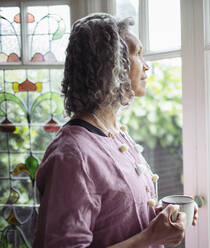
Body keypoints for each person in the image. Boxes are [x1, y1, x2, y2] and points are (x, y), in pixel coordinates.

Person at [33, 13, 197, 248]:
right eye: (138, 54)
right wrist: (151, 237)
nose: (147, 65)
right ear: (111, 67)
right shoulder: (72, 155)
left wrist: (164, 220)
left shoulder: (114, 133)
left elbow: (116, 219)